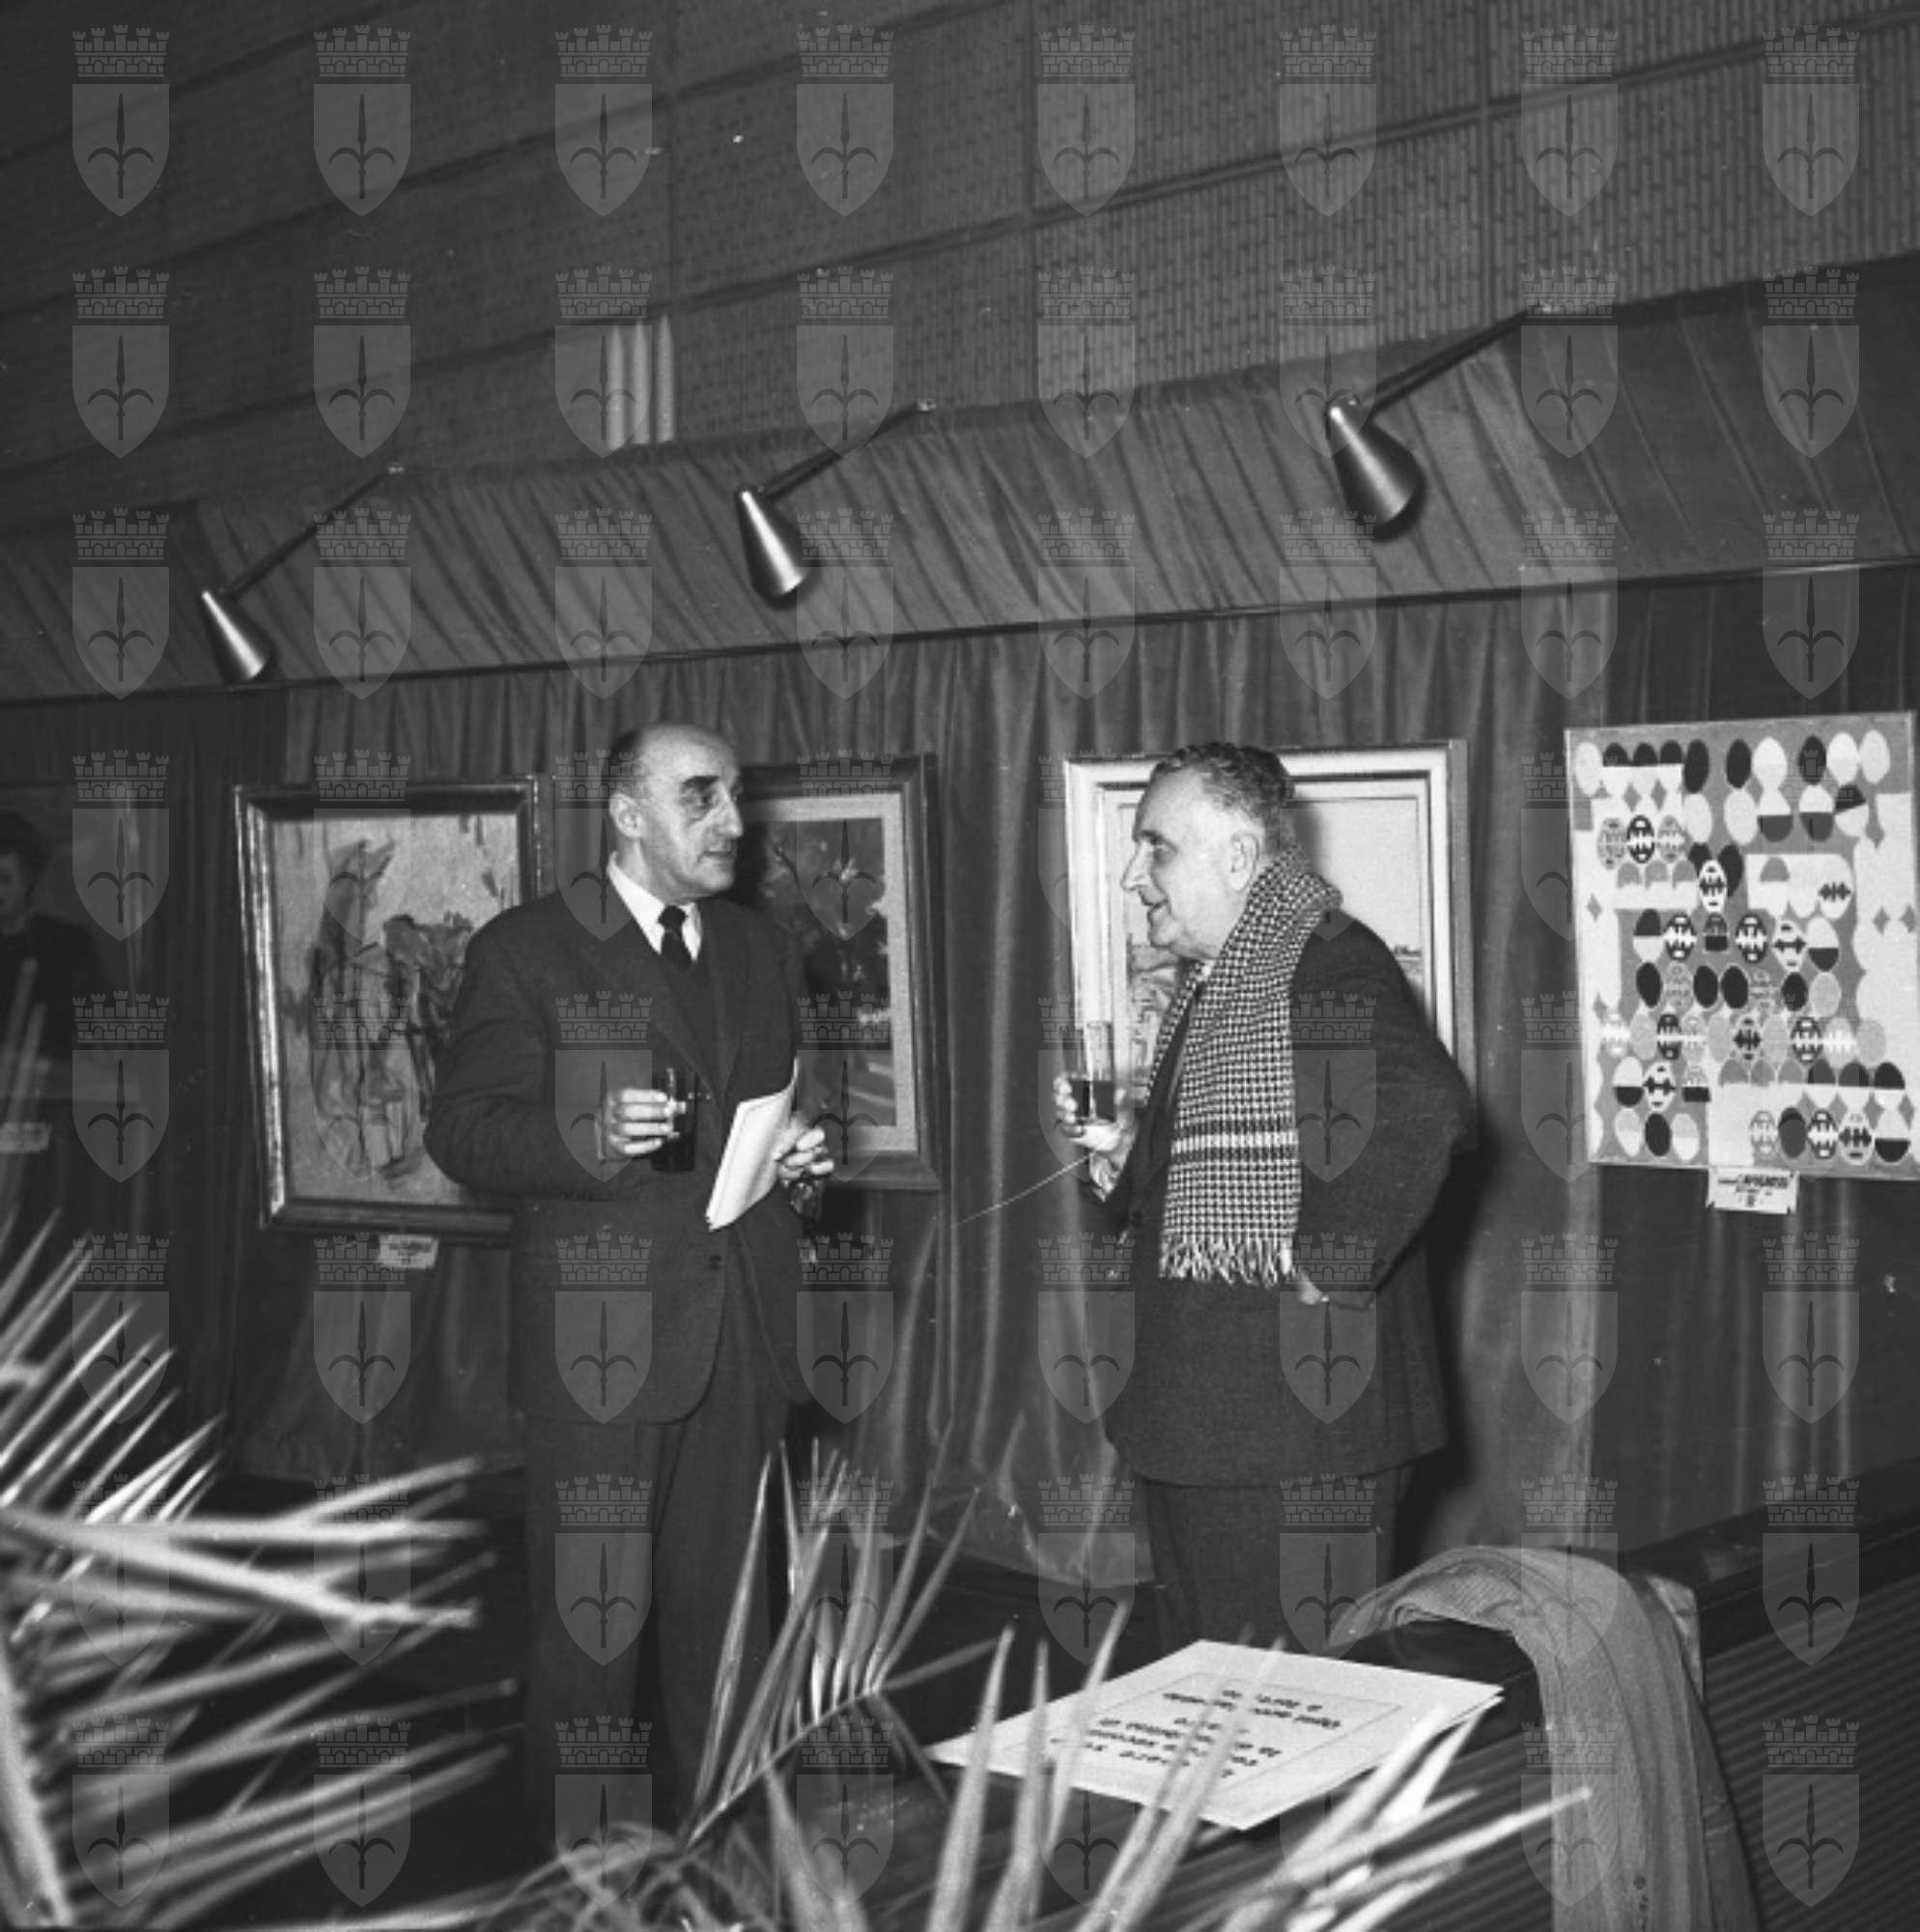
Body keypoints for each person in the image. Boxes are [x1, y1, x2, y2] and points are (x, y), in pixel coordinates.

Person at [424, 723, 832, 1846]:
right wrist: (586, 1134)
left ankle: (735, 1859)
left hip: (740, 1328)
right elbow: (462, 1130)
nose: (733, 822)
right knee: (592, 1640)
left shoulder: (759, 947)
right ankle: (587, 1883)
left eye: (734, 795)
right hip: (597, 1347)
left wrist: (799, 1157)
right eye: (701, 796)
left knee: (733, 1622)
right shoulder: (528, 947)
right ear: (626, 813)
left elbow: (765, 1119)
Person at [1055, 742, 1473, 1652]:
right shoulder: (1234, 975)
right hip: (1222, 1429)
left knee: (1279, 1712)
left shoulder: (1325, 962)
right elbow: (1249, 1169)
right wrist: (1128, 1152)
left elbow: (1423, 1103)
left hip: (1291, 1436)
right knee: (1219, 1703)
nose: (1134, 876)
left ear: (1240, 857)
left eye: (1158, 847)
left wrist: (1331, 1258)